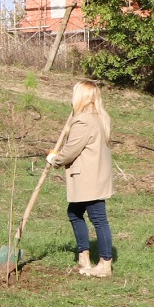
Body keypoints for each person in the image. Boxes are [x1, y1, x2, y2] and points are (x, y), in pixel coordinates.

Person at [49, 80, 116, 278]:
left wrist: (55, 159)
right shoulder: (99, 117)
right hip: (95, 175)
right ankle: (83, 257)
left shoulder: (84, 120)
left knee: (98, 218)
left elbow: (71, 151)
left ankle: (105, 263)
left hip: (89, 177)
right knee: (74, 212)